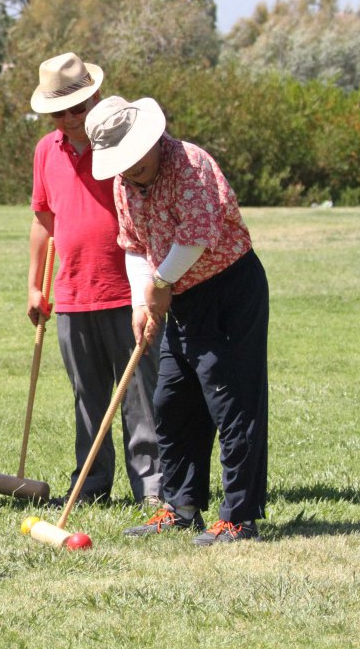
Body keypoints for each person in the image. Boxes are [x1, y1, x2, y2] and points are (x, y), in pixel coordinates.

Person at [85, 96, 270, 545]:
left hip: (227, 290)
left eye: (134, 157)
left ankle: (239, 517)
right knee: (171, 402)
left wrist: (161, 284)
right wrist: (140, 302)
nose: (131, 169)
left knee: (231, 403)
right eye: (121, 163)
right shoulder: (125, 184)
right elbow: (133, 244)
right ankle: (181, 507)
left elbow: (197, 238)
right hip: (178, 296)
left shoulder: (189, 164)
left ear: (151, 139)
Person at [27, 53, 161, 506]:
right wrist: (34, 285)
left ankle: (152, 487)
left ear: (97, 97)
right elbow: (43, 220)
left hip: (127, 291)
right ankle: (90, 485)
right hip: (72, 293)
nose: (70, 119)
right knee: (87, 397)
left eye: (78, 108)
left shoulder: (122, 143)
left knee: (140, 395)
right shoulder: (46, 151)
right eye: (59, 113)